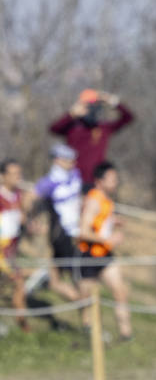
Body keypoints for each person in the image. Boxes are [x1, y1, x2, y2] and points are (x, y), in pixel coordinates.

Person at [75, 162, 133, 340]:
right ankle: (89, 332)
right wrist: (108, 239)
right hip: (89, 255)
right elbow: (83, 231)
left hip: (105, 254)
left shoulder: (108, 200)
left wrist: (113, 222)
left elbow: (100, 223)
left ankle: (126, 334)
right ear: (99, 181)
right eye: (112, 179)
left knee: (120, 291)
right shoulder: (93, 200)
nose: (116, 182)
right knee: (88, 298)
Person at [32, 143, 85, 304]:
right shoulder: (49, 181)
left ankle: (46, 279)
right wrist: (33, 220)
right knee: (78, 279)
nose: (72, 162)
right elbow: (31, 198)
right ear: (57, 160)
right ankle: (86, 314)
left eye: (73, 159)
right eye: (68, 159)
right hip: (63, 235)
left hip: (78, 232)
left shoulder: (75, 174)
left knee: (73, 278)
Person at [48, 89, 135, 186]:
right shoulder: (72, 127)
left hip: (95, 182)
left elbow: (128, 117)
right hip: (72, 179)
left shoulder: (103, 128)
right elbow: (53, 129)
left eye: (93, 105)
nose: (89, 109)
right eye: (86, 106)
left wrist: (112, 101)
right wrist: (71, 114)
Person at [0, 159, 32, 327]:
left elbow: (22, 222)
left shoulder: (20, 196)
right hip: (2, 251)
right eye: (13, 174)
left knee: (17, 285)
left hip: (12, 250)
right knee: (19, 284)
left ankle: (22, 326)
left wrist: (29, 225)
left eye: (19, 174)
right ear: (3, 176)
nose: (17, 177)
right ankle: (24, 327)